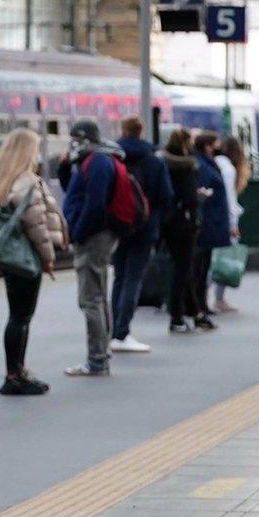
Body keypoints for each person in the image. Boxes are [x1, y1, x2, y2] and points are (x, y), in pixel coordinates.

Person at [0, 128, 67, 395]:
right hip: (26, 256)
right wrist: (48, 258)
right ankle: (14, 374)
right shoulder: (27, 182)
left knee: (17, 314)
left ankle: (17, 370)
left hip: (13, 257)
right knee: (21, 316)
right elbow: (36, 223)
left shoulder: (6, 178)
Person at [60, 120, 123, 377]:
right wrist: (65, 167)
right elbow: (73, 192)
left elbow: (94, 204)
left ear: (87, 138)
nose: (72, 143)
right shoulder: (89, 162)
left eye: (76, 138)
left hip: (94, 237)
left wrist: (78, 232)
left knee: (90, 299)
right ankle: (101, 354)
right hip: (97, 235)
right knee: (97, 297)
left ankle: (97, 360)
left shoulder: (98, 163)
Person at [108, 115, 174, 355]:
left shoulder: (113, 158)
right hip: (145, 227)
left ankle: (113, 329)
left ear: (122, 131)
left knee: (118, 277)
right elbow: (166, 197)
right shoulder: (154, 161)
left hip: (117, 226)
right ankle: (122, 332)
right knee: (133, 279)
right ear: (141, 131)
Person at [161, 130, 207, 334]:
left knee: (182, 268)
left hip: (168, 222)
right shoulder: (187, 166)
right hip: (185, 224)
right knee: (184, 269)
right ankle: (178, 315)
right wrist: (199, 196)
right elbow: (189, 197)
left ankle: (194, 312)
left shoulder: (163, 165)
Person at [192, 131, 229, 331]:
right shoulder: (204, 166)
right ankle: (199, 305)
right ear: (207, 145)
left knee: (203, 266)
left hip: (210, 221)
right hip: (207, 222)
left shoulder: (206, 163)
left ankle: (201, 304)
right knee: (200, 267)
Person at [212, 137, 248, 313]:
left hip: (213, 218)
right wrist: (232, 223)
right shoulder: (229, 169)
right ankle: (218, 299)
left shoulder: (215, 163)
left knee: (211, 259)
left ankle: (208, 298)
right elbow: (229, 198)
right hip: (224, 220)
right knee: (221, 260)